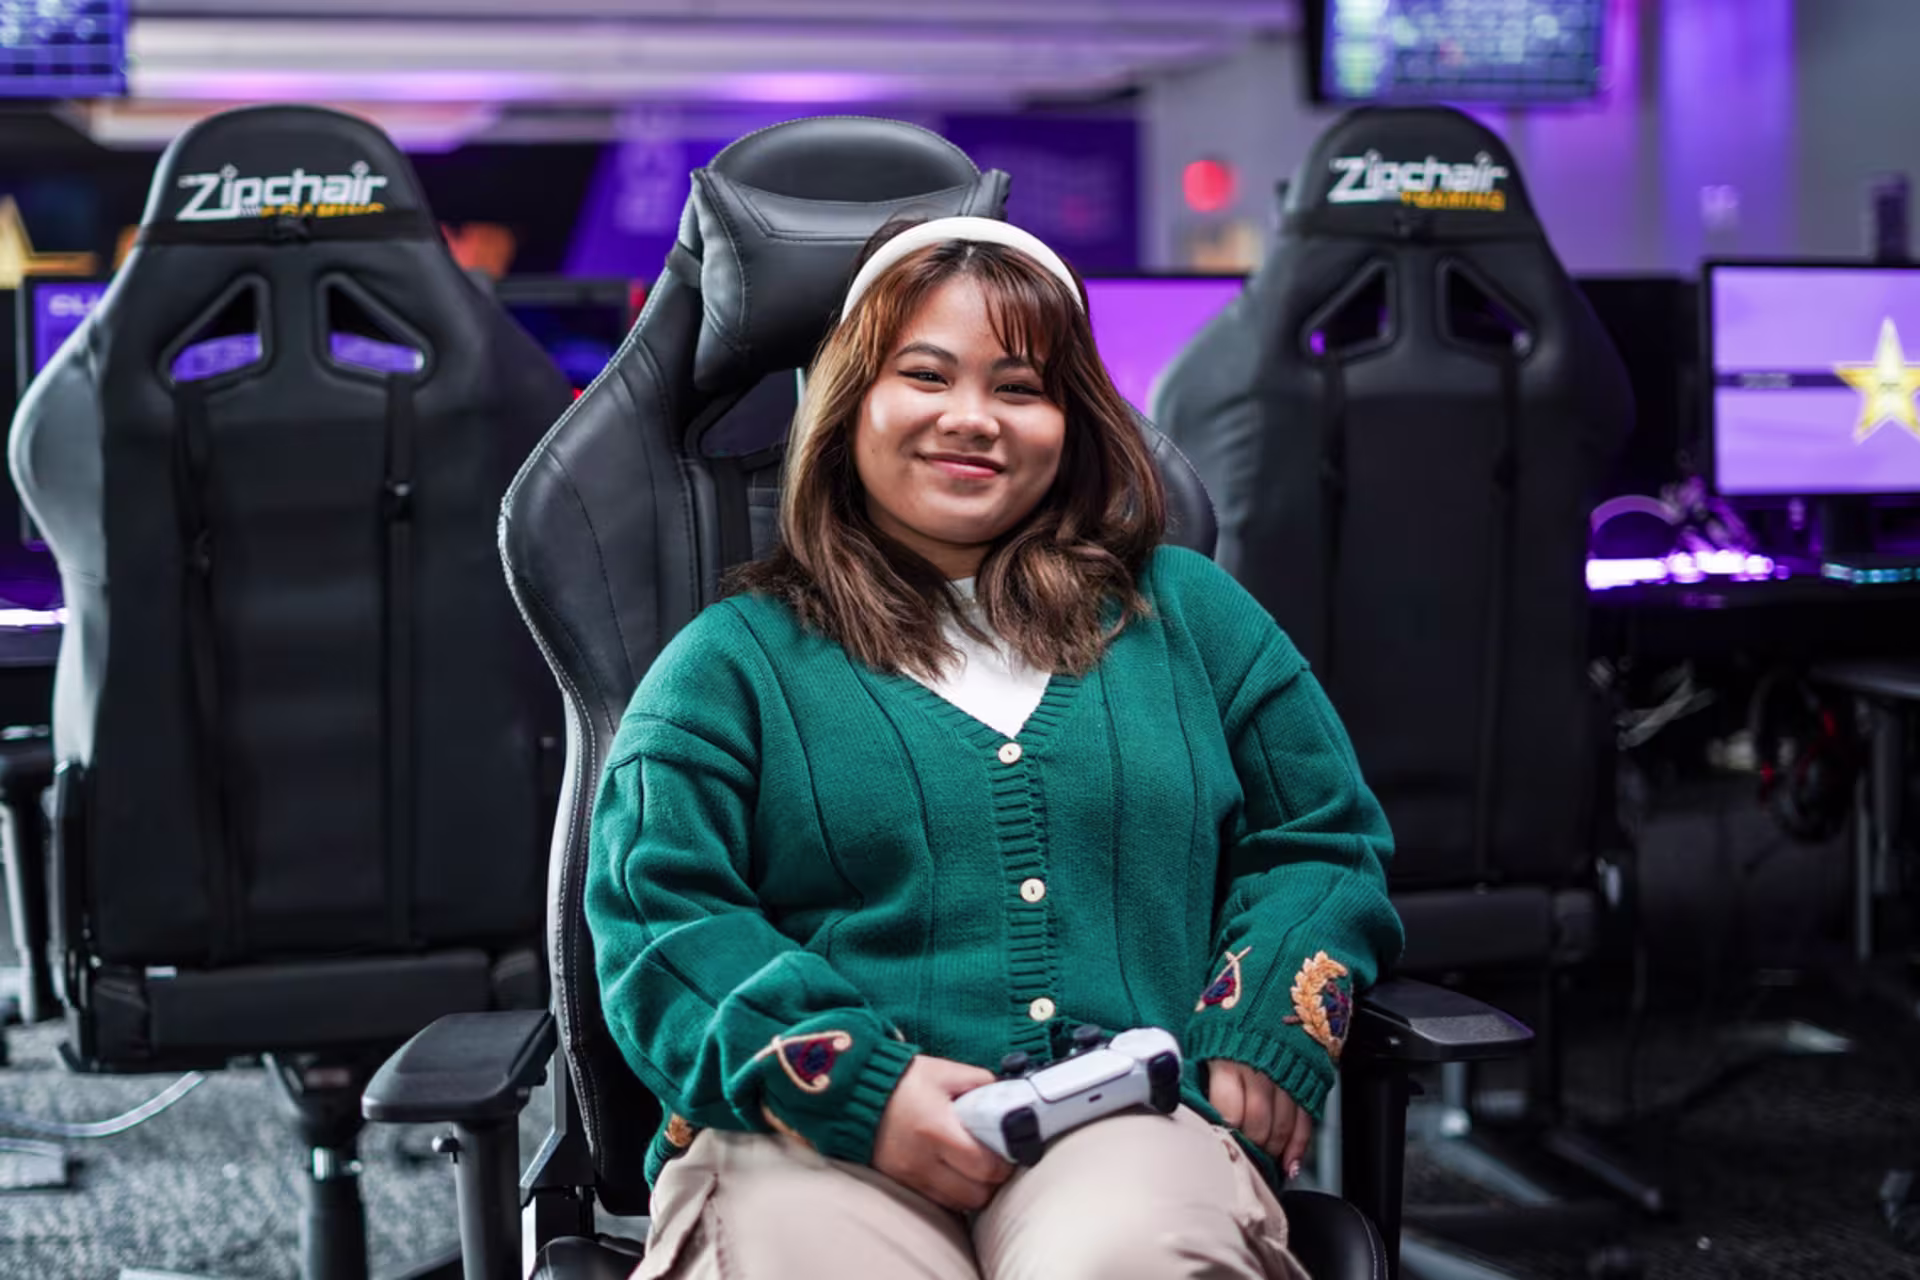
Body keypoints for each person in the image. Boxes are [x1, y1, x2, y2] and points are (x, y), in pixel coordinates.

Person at [586, 214, 1404, 1280]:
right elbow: (660, 916)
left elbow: (1323, 839)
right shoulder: (729, 661)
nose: (972, 419)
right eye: (925, 376)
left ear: (1072, 422)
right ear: (851, 405)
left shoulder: (1189, 614)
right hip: (804, 1133)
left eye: (1019, 387)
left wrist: (1263, 1015)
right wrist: (865, 1087)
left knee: (1135, 1258)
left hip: (1122, 1114)